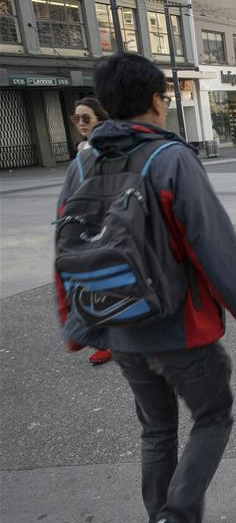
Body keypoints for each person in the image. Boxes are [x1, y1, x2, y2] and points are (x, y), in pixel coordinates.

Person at [55, 53, 236, 523]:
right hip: (179, 327)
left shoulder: (82, 163)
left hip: (119, 325)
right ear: (158, 100)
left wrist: (78, 323)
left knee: (156, 430)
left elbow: (66, 246)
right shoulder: (170, 159)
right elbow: (215, 249)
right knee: (213, 413)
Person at [70, 97, 115, 367]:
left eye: (87, 117)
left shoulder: (106, 149)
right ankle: (102, 338)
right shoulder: (82, 150)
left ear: (101, 119)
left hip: (107, 221)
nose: (82, 123)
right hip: (87, 223)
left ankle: (109, 338)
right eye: (77, 118)